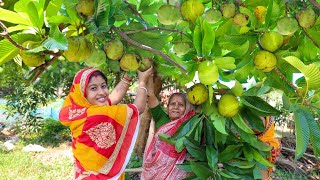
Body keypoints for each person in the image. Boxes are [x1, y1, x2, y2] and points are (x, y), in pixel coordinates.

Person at [59, 67, 153, 179]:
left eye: (103, 86)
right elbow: (138, 108)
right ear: (83, 93)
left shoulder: (79, 113)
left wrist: (128, 76)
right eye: (93, 88)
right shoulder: (97, 115)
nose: (102, 92)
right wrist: (142, 81)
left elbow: (112, 98)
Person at [141, 79, 196, 179]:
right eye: (172, 104)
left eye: (180, 105)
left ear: (187, 108)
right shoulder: (161, 118)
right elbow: (150, 95)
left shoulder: (191, 125)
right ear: (167, 107)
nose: (175, 107)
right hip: (154, 173)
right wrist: (148, 76)